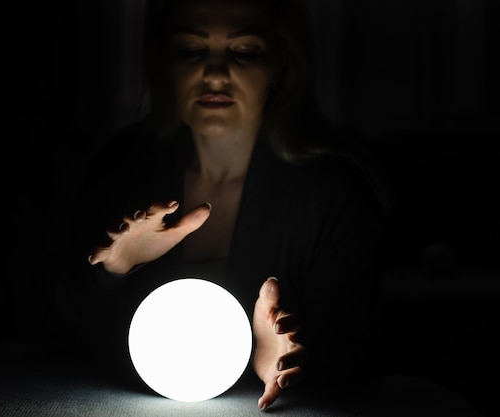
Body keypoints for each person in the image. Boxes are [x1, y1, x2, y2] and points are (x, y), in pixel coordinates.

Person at [43, 0, 387, 411]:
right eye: (191, 50)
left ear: (280, 62)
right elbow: (57, 335)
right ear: (163, 61)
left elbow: (359, 351)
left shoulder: (332, 193)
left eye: (244, 52)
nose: (215, 75)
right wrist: (112, 274)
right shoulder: (120, 169)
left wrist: (282, 360)